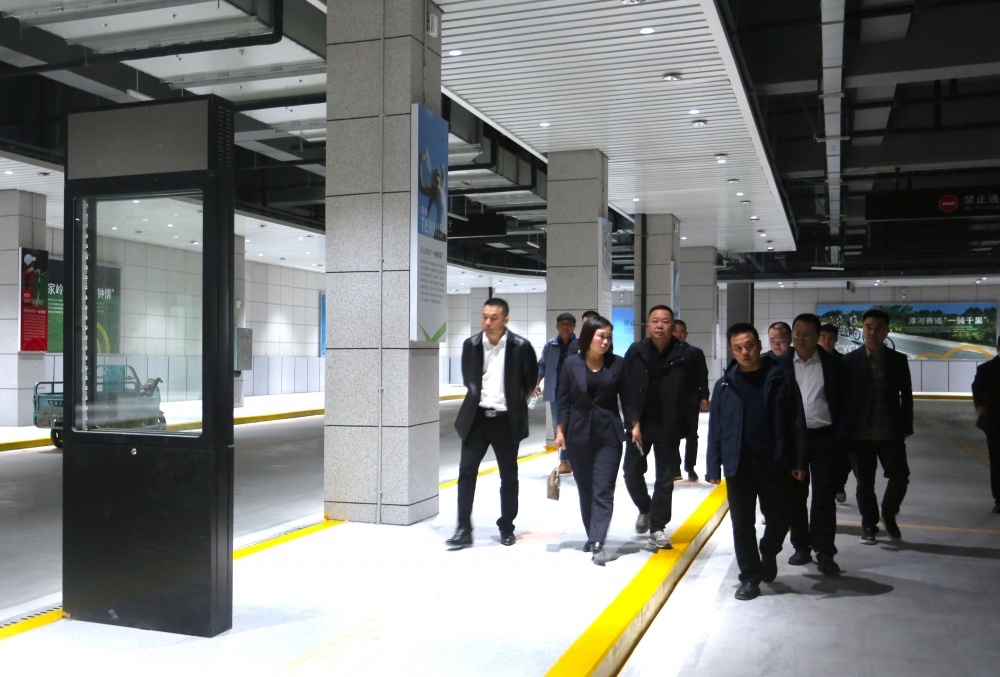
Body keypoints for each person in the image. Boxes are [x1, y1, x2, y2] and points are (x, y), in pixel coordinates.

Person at [706, 323, 807, 601]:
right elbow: (716, 428)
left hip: (775, 462)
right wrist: (713, 466)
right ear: (732, 350)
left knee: (780, 518)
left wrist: (799, 459)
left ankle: (769, 550)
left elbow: (796, 422)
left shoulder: (780, 379)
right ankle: (750, 577)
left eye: (749, 346)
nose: (745, 352)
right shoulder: (725, 385)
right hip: (739, 464)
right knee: (742, 523)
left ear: (759, 346)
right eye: (738, 348)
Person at [447, 298, 538, 549]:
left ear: (505, 320)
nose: (487, 322)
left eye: (493, 318)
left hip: (506, 421)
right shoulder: (471, 345)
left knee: (508, 476)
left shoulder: (521, 347)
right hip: (476, 420)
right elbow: (469, 380)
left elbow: (529, 381)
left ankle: (506, 526)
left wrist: (513, 402)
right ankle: (463, 528)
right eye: (484, 317)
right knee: (466, 473)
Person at [554, 316, 639, 565]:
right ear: (588, 336)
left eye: (608, 337)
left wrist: (634, 424)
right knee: (586, 489)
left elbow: (629, 397)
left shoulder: (617, 364)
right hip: (578, 435)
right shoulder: (571, 364)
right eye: (601, 336)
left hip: (609, 435)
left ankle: (598, 540)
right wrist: (560, 430)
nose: (605, 341)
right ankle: (592, 534)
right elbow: (563, 399)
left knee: (603, 489)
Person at [622, 305, 701, 550]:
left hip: (669, 425)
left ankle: (657, 527)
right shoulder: (636, 351)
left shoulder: (686, 354)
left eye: (665, 321)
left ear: (673, 326)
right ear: (648, 325)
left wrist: (687, 425)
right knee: (631, 472)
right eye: (655, 321)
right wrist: (633, 422)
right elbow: (627, 388)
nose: (660, 325)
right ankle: (646, 507)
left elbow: (693, 391)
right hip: (640, 425)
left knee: (665, 480)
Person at [777, 313, 847, 575]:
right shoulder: (780, 365)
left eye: (806, 334)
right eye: (796, 333)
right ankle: (801, 546)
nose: (800, 339)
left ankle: (825, 552)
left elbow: (845, 403)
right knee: (795, 495)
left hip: (825, 438)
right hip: (794, 440)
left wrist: (841, 437)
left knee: (824, 497)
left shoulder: (834, 365)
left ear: (818, 336)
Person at [842, 308, 913, 544]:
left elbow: (906, 395)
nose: (872, 332)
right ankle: (869, 525)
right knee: (865, 484)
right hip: (860, 435)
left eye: (878, 328)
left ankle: (889, 513)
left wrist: (906, 425)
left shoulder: (898, 360)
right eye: (868, 327)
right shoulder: (849, 361)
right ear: (863, 330)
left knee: (900, 477)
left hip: (890, 431)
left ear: (887, 331)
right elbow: (842, 399)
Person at [535, 312, 577, 474]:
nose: (566, 327)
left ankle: (576, 459)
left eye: (569, 324)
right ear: (557, 326)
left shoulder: (580, 345)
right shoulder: (550, 345)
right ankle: (565, 461)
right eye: (563, 324)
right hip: (556, 391)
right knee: (558, 426)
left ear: (574, 327)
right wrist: (536, 383)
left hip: (577, 392)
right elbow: (542, 364)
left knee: (576, 426)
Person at [672, 319, 710, 481]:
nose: (679, 334)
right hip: (671, 401)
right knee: (672, 434)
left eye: (682, 331)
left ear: (686, 333)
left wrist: (704, 396)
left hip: (691, 399)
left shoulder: (695, 352)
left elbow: (703, 375)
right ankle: (675, 467)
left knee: (692, 435)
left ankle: (690, 467)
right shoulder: (664, 353)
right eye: (676, 331)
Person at [819, 322, 851, 503]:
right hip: (818, 418)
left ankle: (839, 484)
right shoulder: (811, 361)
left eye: (830, 338)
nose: (826, 341)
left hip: (839, 418)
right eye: (823, 337)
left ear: (836, 340)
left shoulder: (843, 362)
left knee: (843, 458)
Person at [972, 336, 1000, 514]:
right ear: (997, 347)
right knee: (997, 461)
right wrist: (980, 405)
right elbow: (977, 388)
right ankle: (999, 499)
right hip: (995, 422)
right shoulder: (986, 369)